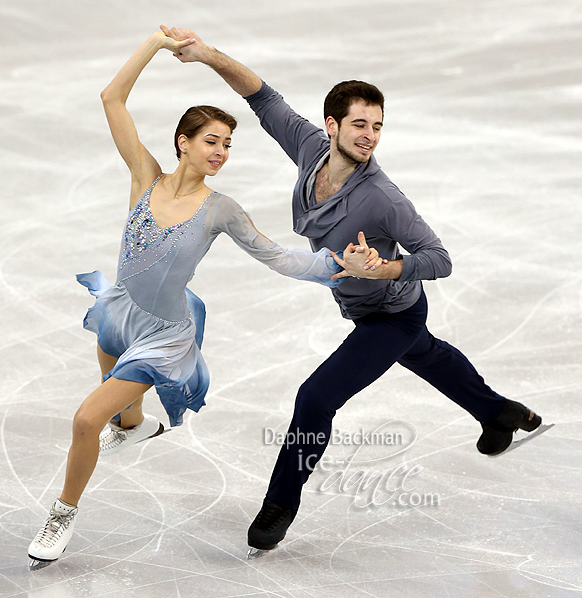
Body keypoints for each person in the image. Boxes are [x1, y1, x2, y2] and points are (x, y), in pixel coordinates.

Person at [159, 26, 544, 553]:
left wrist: (382, 270)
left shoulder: (384, 199)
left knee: (315, 396)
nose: (369, 135)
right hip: (364, 308)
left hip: (391, 313)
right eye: (359, 124)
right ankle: (499, 412)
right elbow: (260, 96)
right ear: (332, 125)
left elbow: (440, 259)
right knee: (427, 355)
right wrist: (204, 55)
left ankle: (279, 505)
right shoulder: (310, 148)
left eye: (378, 127)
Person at [27, 29, 381, 566]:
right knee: (122, 411)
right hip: (118, 311)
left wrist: (337, 266)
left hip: (164, 335)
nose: (221, 152)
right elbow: (111, 99)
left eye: (227, 144)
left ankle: (61, 515)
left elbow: (278, 256)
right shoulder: (144, 177)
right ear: (183, 143)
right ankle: (136, 425)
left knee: (85, 421)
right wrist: (153, 44)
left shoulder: (221, 209)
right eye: (212, 140)